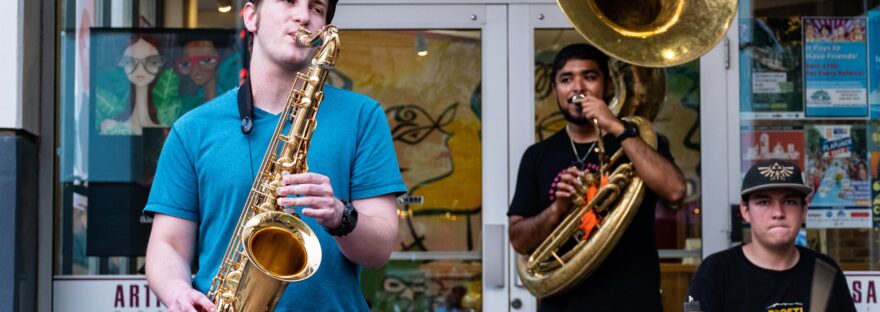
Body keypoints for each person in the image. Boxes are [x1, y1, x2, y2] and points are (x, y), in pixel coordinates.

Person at [143, 1, 406, 311]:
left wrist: (339, 215)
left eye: (316, 8)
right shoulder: (192, 129)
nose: (303, 15)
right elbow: (168, 245)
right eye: (289, 2)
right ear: (251, 16)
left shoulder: (363, 117)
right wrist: (177, 292)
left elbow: (379, 251)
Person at [507, 43, 686, 311]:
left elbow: (675, 191)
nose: (578, 87)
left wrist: (616, 127)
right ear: (556, 90)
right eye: (566, 79)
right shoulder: (537, 156)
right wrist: (558, 209)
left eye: (589, 77)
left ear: (608, 87)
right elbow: (520, 241)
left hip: (634, 303)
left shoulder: (640, 142)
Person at [685, 159, 856, 312]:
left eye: (789, 202)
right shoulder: (717, 272)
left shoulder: (825, 272)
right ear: (745, 211)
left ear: (803, 210)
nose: (778, 213)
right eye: (764, 202)